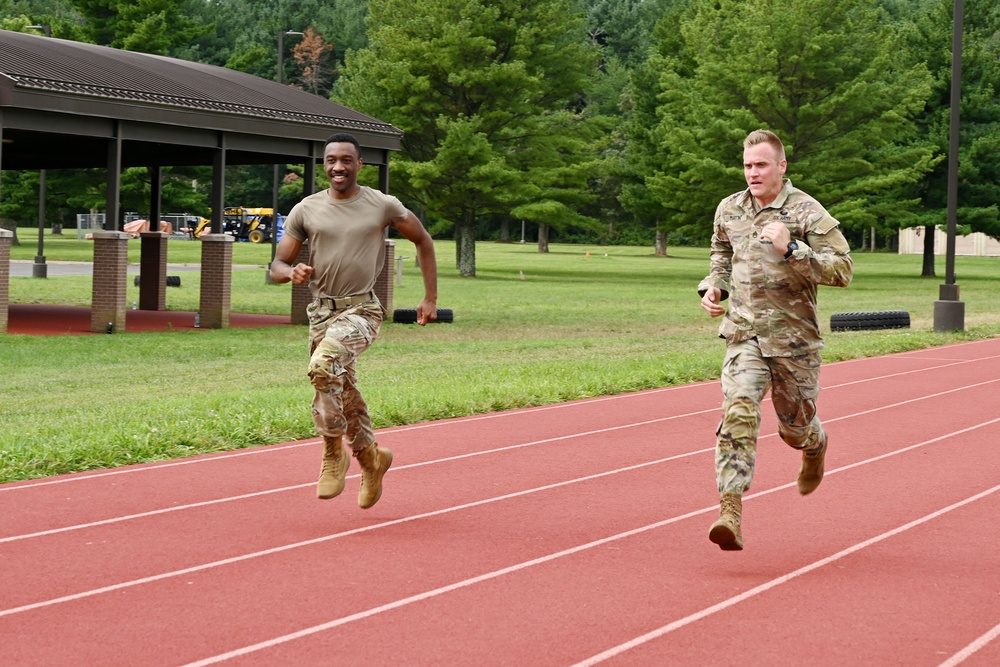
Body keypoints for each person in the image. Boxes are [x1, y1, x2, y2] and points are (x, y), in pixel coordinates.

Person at [697, 129, 853, 551]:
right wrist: (714, 287)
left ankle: (814, 444)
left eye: (761, 164)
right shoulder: (729, 208)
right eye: (748, 165)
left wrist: (793, 250)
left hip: (794, 342)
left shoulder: (806, 210)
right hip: (745, 334)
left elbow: (843, 270)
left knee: (794, 428)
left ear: (781, 167)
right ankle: (730, 511)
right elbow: (721, 253)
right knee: (739, 409)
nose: (753, 172)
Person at [270, 132, 438, 509]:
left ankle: (333, 452)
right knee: (341, 389)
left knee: (322, 365)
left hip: (362, 308)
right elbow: (276, 265)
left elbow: (423, 241)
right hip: (321, 313)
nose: (338, 167)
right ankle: (371, 459)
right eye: (331, 160)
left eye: (346, 160)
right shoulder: (306, 209)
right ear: (324, 165)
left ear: (360, 164)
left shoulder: (382, 204)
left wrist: (430, 297)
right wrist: (289, 272)